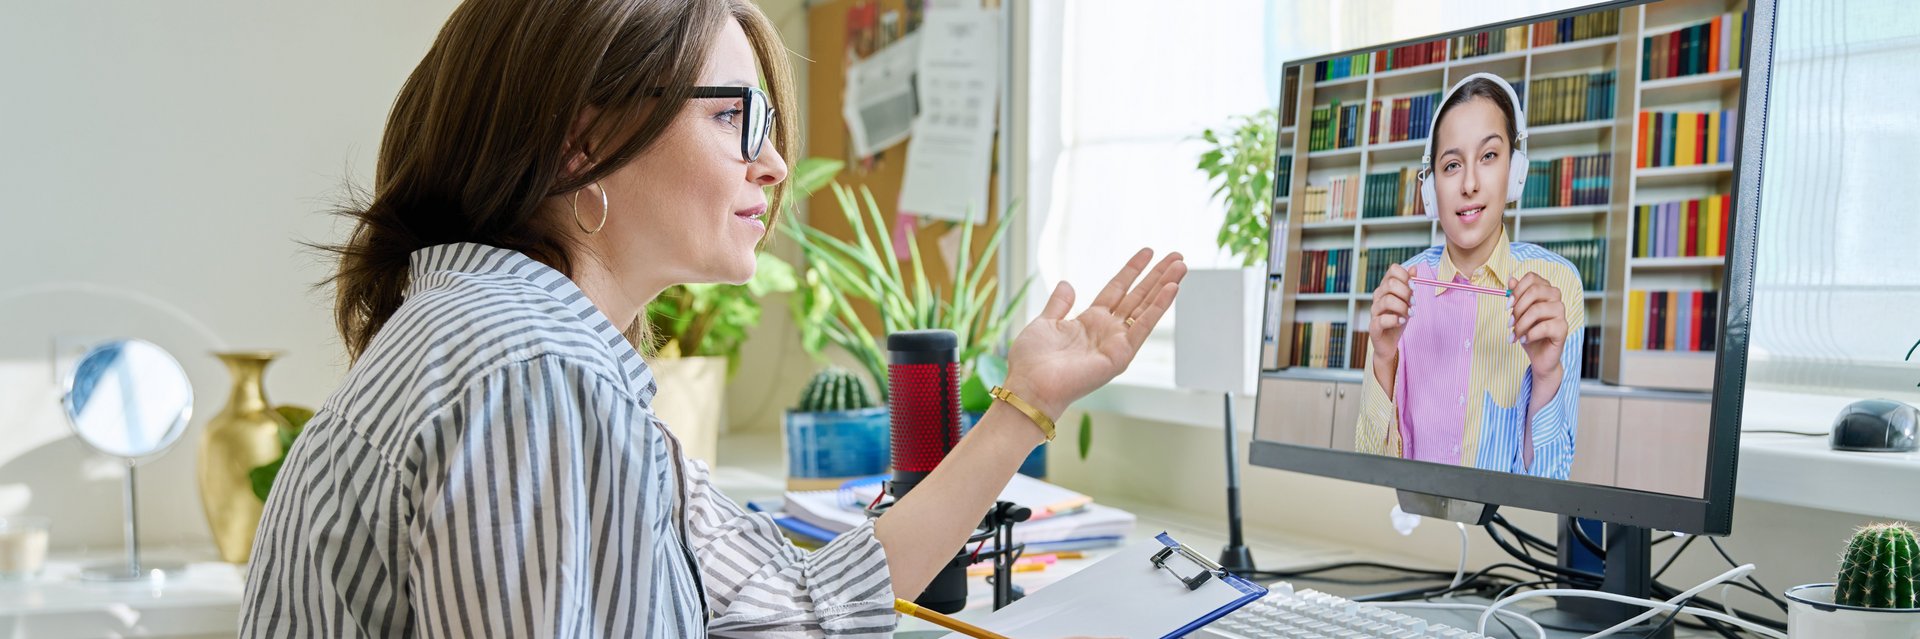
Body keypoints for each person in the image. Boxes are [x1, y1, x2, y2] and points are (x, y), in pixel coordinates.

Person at [237, 1, 1185, 636]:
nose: (773, 166)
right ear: (585, 136)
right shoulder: (529, 368)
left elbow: (809, 599)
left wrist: (1024, 404)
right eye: (741, 117)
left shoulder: (527, 343)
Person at [1354, 73, 1586, 480]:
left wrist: (1547, 376)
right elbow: (1369, 474)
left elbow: (1550, 486)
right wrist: (1383, 358)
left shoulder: (1558, 286)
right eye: (1452, 165)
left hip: (1496, 540)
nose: (1470, 184)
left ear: (1516, 172)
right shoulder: (1405, 285)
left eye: (1489, 156)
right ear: (1431, 191)